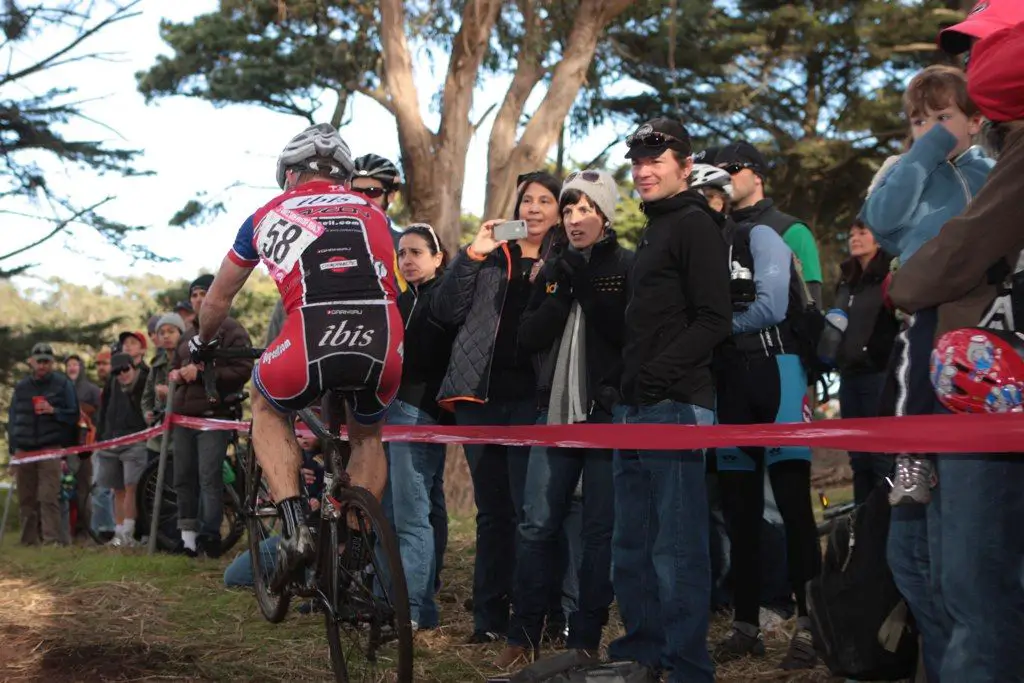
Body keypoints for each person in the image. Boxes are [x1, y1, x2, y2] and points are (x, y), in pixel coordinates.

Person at [189, 123, 402, 589]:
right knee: (367, 437)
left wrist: (203, 344)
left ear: (288, 174)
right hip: (383, 338)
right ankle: (358, 536)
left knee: (265, 405)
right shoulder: (375, 211)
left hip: (312, 334)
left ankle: (294, 527)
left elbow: (218, 300)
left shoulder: (265, 214)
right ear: (344, 177)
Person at [887, 9, 1024, 681]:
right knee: (938, 569)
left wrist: (901, 283)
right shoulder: (945, 168)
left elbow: (961, 248)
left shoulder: (1013, 155)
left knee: (971, 584)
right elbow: (882, 220)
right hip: (949, 389)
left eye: (984, 51)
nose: (977, 69)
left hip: (989, 396)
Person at [611, 118, 731, 683]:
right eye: (637, 159)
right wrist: (625, 380)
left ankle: (687, 667)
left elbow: (715, 319)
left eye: (655, 158)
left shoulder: (695, 224)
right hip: (635, 406)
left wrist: (657, 376)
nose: (642, 168)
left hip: (678, 403)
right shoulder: (654, 229)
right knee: (631, 541)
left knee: (676, 548)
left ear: (685, 164)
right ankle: (645, 651)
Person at [497, 170, 632, 667]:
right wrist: (559, 293)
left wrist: (587, 291)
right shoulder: (554, 268)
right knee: (536, 525)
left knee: (598, 531)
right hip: (549, 414)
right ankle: (522, 634)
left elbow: (627, 337)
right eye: (569, 209)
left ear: (606, 214)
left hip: (603, 416)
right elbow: (526, 338)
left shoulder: (626, 265)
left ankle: (585, 638)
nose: (575, 219)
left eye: (585, 209)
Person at [430, 172, 563, 644]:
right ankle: (488, 620)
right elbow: (444, 310)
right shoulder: (491, 257)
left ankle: (539, 616)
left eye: (545, 201)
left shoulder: (563, 257)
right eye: (527, 200)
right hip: (479, 399)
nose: (533, 209)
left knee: (535, 511)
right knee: (493, 512)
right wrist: (472, 254)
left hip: (536, 399)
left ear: (559, 209)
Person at [862, 64, 993, 509]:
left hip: (985, 302)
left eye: (943, 118)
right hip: (928, 295)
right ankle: (911, 454)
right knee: (915, 363)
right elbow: (882, 222)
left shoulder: (991, 172)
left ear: (975, 122)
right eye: (919, 121)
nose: (930, 130)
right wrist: (925, 152)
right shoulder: (904, 170)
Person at [710, 166, 822, 670]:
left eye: (712, 197)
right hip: (730, 382)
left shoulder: (759, 235)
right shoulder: (696, 252)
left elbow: (774, 305)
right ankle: (746, 625)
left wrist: (708, 330)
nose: (704, 206)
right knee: (740, 510)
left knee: (794, 507)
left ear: (723, 201)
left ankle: (812, 627)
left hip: (779, 372)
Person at [384, 223, 455, 631]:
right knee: (395, 513)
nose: (407, 260)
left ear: (437, 257)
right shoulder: (400, 301)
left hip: (420, 413)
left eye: (415, 252)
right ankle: (407, 605)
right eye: (402, 254)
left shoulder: (443, 299)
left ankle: (410, 610)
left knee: (413, 515)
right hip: (394, 413)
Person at [171, 275, 253, 557]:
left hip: (215, 416)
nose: (198, 299)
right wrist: (175, 375)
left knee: (209, 478)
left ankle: (210, 539)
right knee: (183, 477)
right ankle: (188, 539)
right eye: (193, 294)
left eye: (204, 293)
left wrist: (204, 373)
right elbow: (175, 367)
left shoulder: (231, 329)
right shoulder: (185, 335)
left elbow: (244, 368)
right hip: (183, 418)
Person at [835, 222, 898, 504]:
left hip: (879, 375)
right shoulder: (846, 279)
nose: (854, 239)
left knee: (881, 457)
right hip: (849, 377)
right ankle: (862, 532)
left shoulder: (890, 274)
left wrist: (876, 352)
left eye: (862, 233)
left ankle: (885, 530)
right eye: (851, 234)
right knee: (858, 458)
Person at [716, 141, 823, 306]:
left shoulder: (793, 231)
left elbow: (811, 307)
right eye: (718, 172)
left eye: (733, 169)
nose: (724, 177)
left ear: (757, 177)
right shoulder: (714, 230)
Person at [7, 343, 80, 546]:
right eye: (38, 361)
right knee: (26, 499)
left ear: (52, 363)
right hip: (25, 451)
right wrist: (13, 452)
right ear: (31, 362)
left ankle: (51, 541)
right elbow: (13, 421)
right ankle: (28, 542)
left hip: (50, 448)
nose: (42, 365)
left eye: (46, 361)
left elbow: (74, 415)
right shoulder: (21, 387)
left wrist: (53, 411)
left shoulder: (63, 384)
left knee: (49, 497)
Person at [94, 352, 149, 547]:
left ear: (132, 367)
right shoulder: (112, 383)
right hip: (111, 440)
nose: (122, 374)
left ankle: (129, 530)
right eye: (117, 372)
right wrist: (101, 437)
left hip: (135, 440)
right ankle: (118, 533)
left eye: (125, 369)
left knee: (132, 486)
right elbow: (103, 410)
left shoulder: (144, 379)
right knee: (117, 489)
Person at [64, 354, 101, 539]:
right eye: (69, 365)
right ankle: (65, 530)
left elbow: (100, 415)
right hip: (65, 447)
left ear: (81, 367)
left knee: (84, 489)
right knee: (64, 488)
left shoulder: (92, 390)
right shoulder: (60, 389)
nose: (72, 368)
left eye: (75, 364)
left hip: (87, 447)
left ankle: (84, 530)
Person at [142, 313, 185, 459]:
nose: (166, 336)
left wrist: (170, 394)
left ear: (181, 334)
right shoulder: (156, 365)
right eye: (162, 333)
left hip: (180, 436)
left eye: (171, 331)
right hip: (156, 438)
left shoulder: (188, 362)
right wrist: (147, 413)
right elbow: (147, 397)